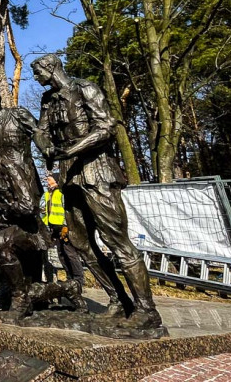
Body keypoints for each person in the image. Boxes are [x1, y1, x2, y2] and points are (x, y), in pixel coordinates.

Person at [31, 53, 161, 329]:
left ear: (51, 67)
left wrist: (71, 149)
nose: (36, 78)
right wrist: (46, 147)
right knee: (81, 243)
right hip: (70, 177)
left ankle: (147, 310)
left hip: (97, 172)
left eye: (38, 72)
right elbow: (40, 131)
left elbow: (106, 127)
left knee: (117, 241)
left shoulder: (85, 88)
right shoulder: (47, 101)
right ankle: (117, 299)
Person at [42, 174, 84, 283]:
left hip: (64, 228)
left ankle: (78, 279)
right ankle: (70, 277)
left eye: (50, 181)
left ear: (56, 182)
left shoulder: (62, 193)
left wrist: (66, 226)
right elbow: (45, 212)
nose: (48, 183)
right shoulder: (47, 194)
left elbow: (67, 210)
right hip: (54, 228)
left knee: (69, 251)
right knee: (61, 253)